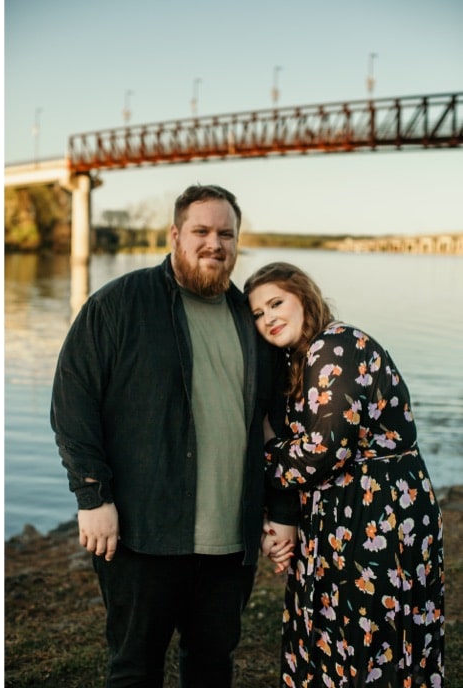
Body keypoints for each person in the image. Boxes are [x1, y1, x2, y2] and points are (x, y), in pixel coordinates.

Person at [50, 184, 297, 687]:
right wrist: (93, 495)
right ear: (175, 235)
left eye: (226, 234)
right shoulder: (120, 303)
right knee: (134, 667)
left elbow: (278, 427)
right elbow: (72, 402)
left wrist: (284, 513)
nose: (215, 244)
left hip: (231, 541)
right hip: (142, 535)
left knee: (212, 665)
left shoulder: (252, 322)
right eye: (202, 231)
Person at [244, 261, 444, 687]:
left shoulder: (337, 346)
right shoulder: (303, 358)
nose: (269, 319)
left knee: (370, 632)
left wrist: (263, 454)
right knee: (334, 629)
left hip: (380, 511)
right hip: (339, 512)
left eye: (277, 303)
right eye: (258, 314)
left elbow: (324, 451)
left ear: (304, 296)